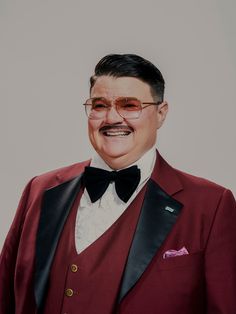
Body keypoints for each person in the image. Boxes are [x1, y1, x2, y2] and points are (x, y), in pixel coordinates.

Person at [0, 54, 236, 314]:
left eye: (129, 105)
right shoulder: (39, 190)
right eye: (99, 105)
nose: (112, 118)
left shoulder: (211, 205)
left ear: (160, 113)